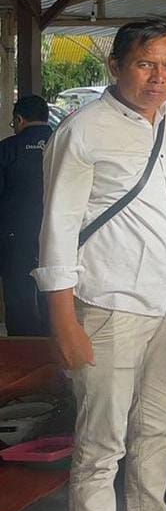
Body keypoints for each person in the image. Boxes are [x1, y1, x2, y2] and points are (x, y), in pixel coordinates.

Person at [33, 19, 166, 511]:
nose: (159, 77)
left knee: (157, 432)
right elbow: (57, 228)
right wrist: (65, 322)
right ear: (116, 66)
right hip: (107, 309)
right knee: (102, 445)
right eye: (146, 64)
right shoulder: (82, 130)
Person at [1, 95, 52, 336]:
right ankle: (53, 344)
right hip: (59, 234)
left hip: (15, 234)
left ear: (19, 119)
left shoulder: (7, 149)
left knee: (19, 291)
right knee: (55, 289)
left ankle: (24, 350)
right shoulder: (62, 143)